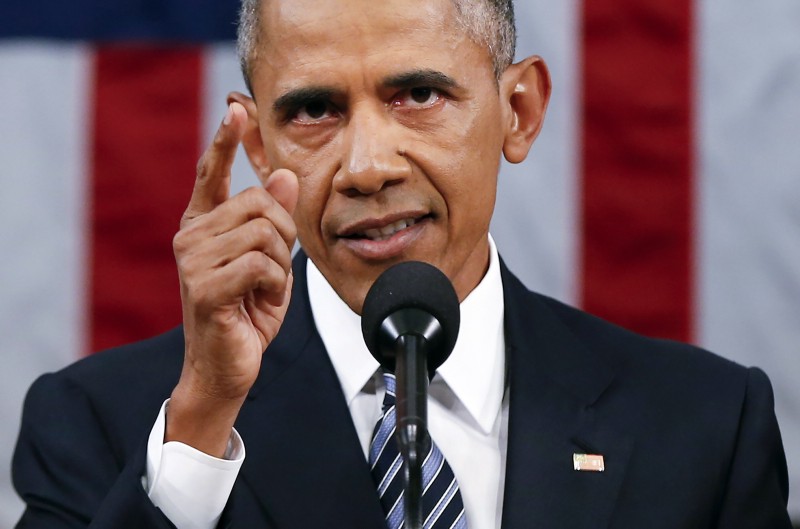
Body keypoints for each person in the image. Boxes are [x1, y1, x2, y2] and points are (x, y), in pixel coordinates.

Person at [12, 0, 793, 527]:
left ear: (517, 112)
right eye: (314, 110)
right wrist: (202, 427)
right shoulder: (106, 427)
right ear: (259, 146)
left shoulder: (706, 427)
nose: (366, 166)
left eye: (417, 93)